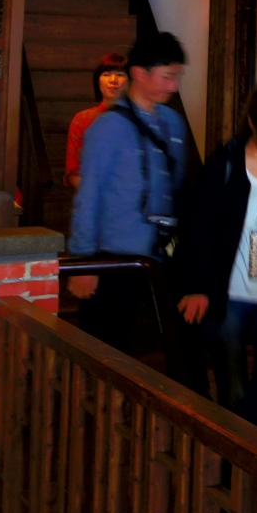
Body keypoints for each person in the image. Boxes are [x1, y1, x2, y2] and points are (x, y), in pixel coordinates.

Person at [176, 88, 257, 425]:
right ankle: (233, 453)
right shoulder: (226, 163)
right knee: (233, 391)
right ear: (252, 123)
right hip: (229, 297)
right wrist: (198, 286)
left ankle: (233, 441)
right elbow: (198, 227)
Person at [68, 33, 188, 353]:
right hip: (115, 260)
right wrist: (85, 264)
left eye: (177, 77)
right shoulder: (107, 127)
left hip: (162, 255)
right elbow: (89, 196)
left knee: (172, 346)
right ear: (139, 73)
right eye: (168, 76)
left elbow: (178, 189)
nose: (174, 86)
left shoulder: (174, 123)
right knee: (105, 348)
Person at [64, 54, 129, 190]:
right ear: (97, 81)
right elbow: (73, 172)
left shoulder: (140, 119)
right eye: (106, 74)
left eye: (120, 74)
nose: (113, 80)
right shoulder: (82, 119)